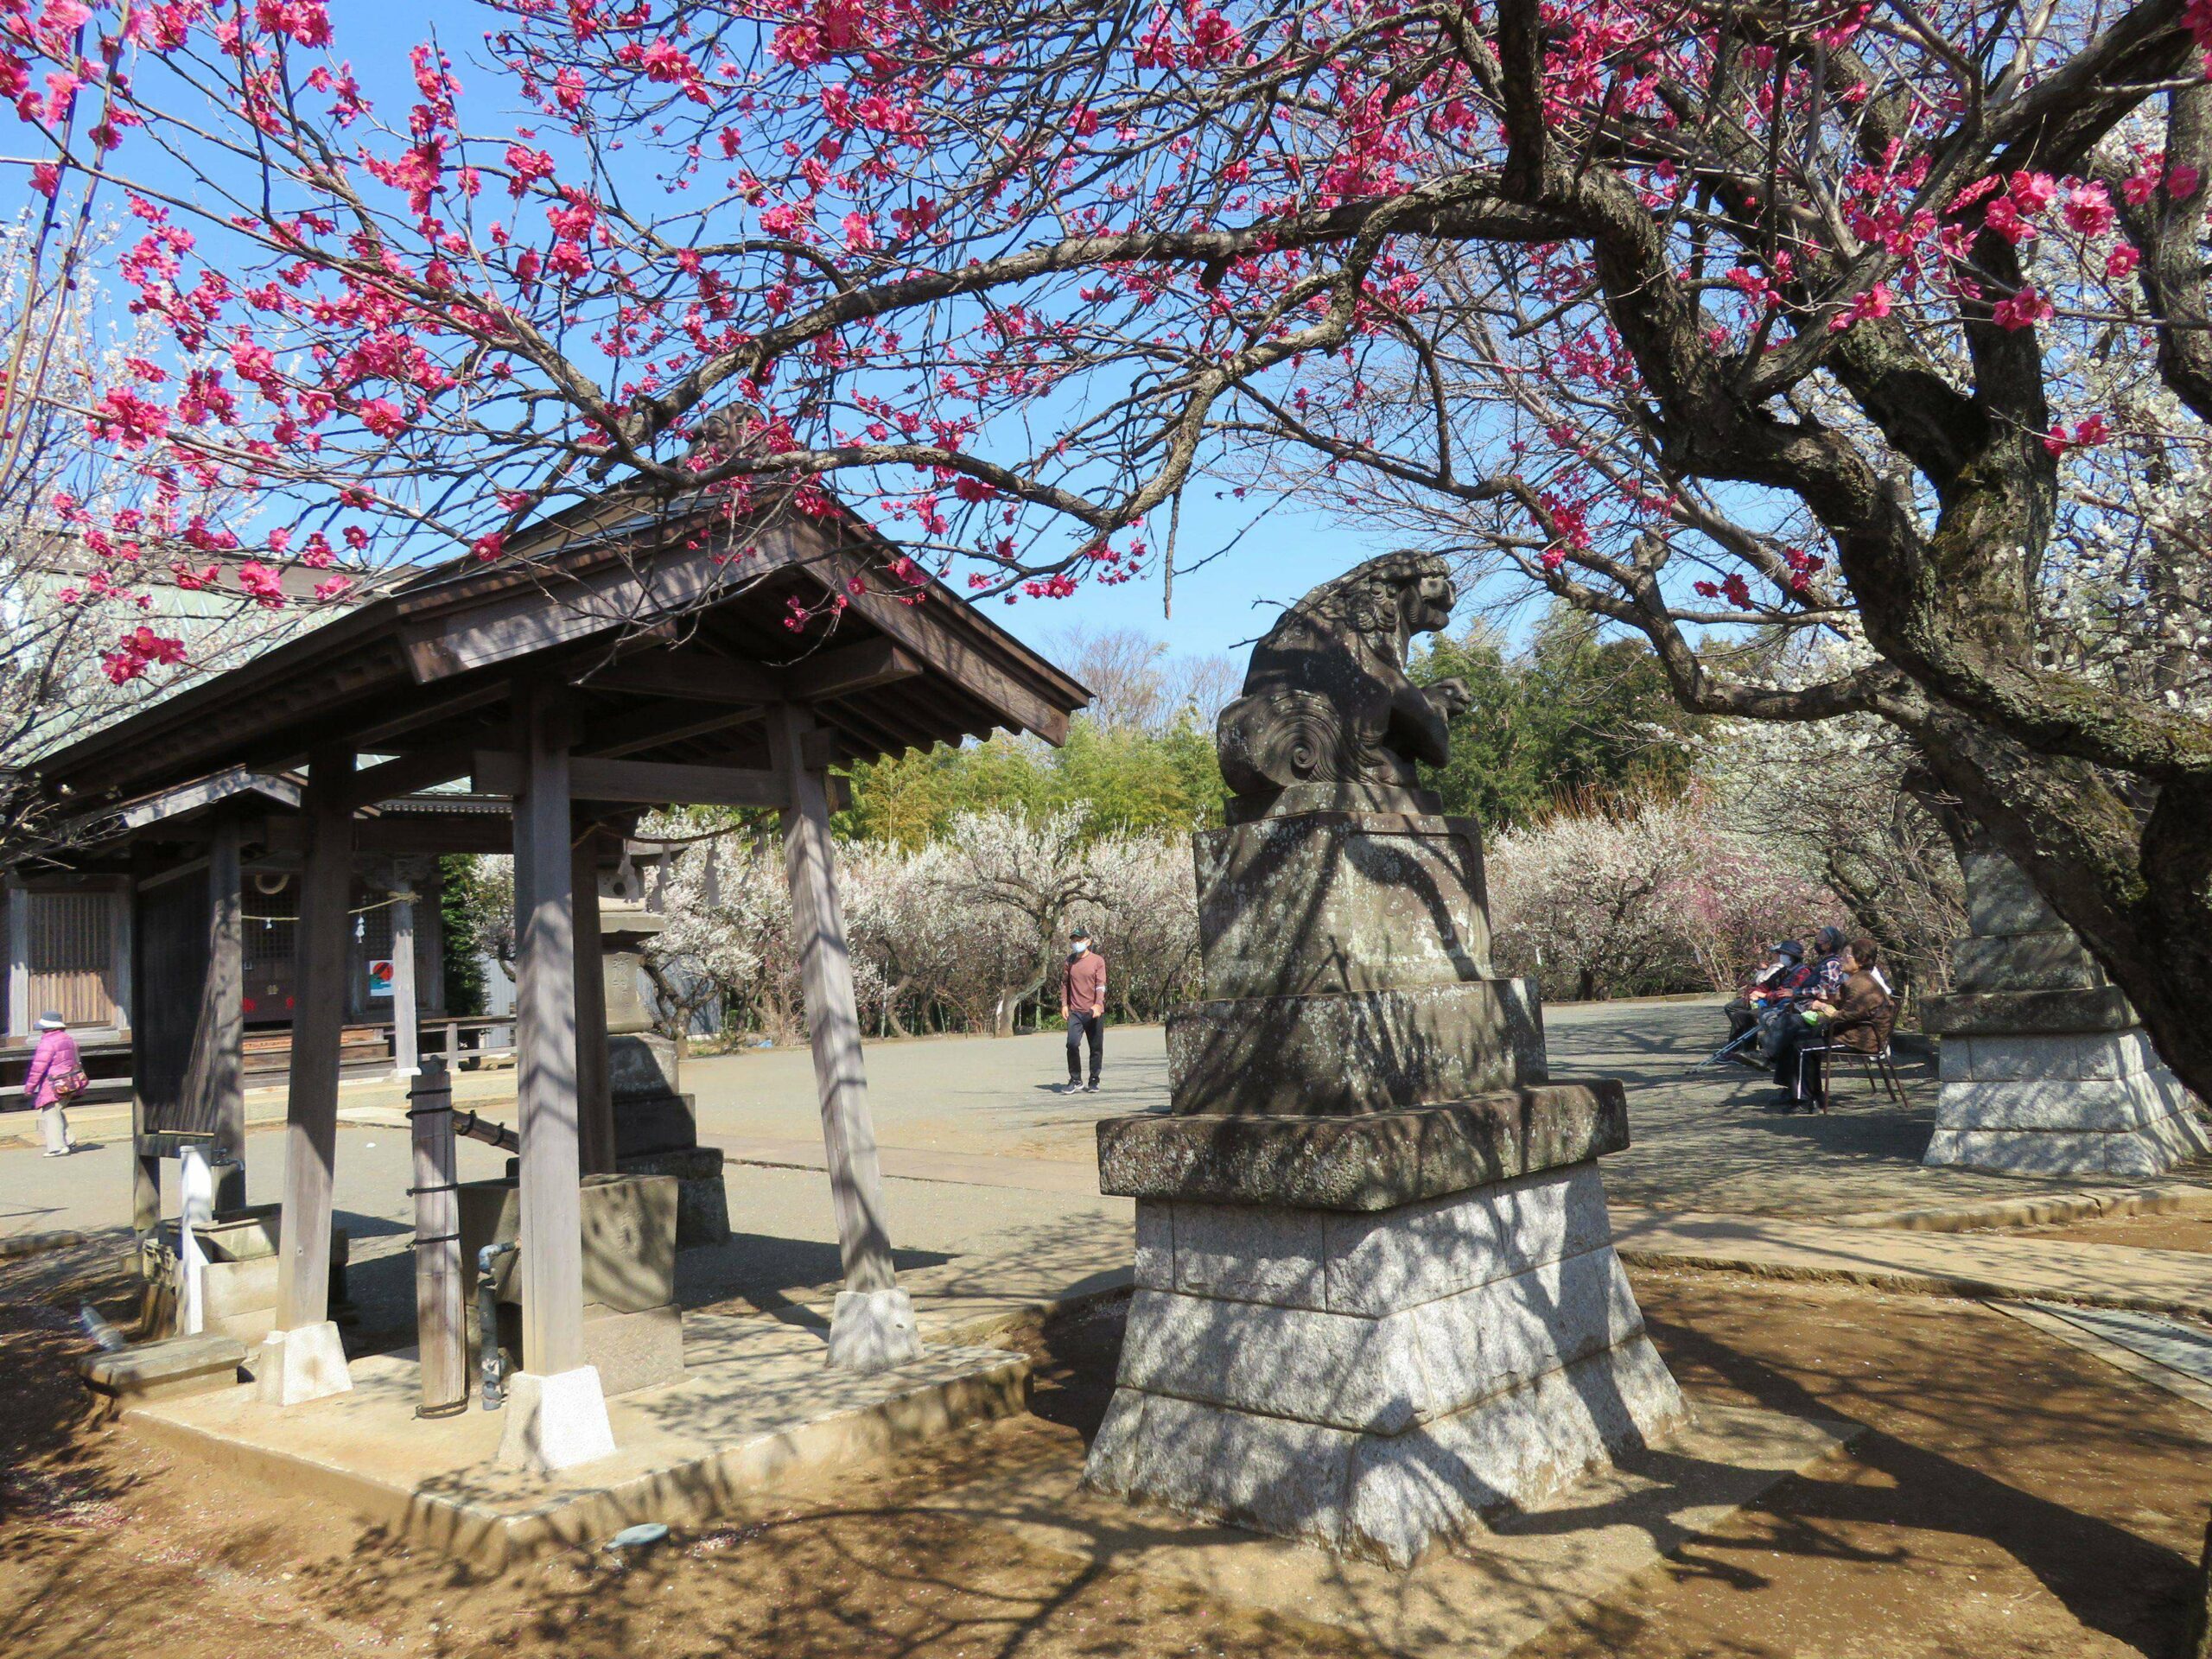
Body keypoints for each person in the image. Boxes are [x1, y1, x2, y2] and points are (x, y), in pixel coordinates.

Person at [1773, 938, 1895, 1111]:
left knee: (1802, 1048)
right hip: (1852, 1033)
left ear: (1861, 961)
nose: (1842, 959)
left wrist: (1823, 1008)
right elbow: (1841, 1005)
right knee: (1797, 1036)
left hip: (1858, 1039)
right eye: (1843, 954)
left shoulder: (1863, 985)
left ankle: (1804, 1100)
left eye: (1847, 955)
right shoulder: (1857, 980)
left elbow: (1847, 1015)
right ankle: (1808, 1094)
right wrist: (1824, 1003)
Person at [22, 1011, 86, 1156]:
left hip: (53, 1084)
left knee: (50, 1114)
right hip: (70, 1081)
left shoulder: (47, 1042)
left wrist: (30, 1087)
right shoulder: (69, 1039)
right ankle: (69, 1140)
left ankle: (58, 1147)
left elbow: (38, 1067)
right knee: (56, 1111)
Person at [1060, 928, 1107, 1093]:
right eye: (1074, 940)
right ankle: (1075, 1079)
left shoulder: (1097, 961)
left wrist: (1098, 1004)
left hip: (1094, 1011)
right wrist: (1064, 1004)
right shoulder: (1070, 961)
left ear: (1088, 941)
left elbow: (1100, 984)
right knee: (1072, 1044)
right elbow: (1065, 984)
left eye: (1079, 940)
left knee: (1096, 1047)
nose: (1076, 943)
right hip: (1075, 1012)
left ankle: (1094, 1079)